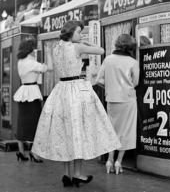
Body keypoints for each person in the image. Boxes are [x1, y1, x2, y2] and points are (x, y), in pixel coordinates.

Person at [32, 20, 121, 187]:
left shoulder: (56, 47)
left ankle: (66, 174)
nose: (81, 35)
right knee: (78, 131)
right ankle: (78, 173)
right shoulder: (77, 47)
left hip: (60, 90)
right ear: (71, 32)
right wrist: (86, 42)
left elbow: (53, 67)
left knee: (64, 132)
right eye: (79, 32)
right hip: (77, 91)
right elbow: (101, 50)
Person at [96, 34, 139, 174]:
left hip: (112, 99)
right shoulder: (133, 62)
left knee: (112, 129)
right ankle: (118, 162)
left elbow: (99, 80)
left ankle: (109, 160)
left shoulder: (108, 60)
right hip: (128, 99)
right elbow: (136, 83)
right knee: (126, 131)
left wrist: (109, 88)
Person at [13, 38, 53, 163]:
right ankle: (34, 153)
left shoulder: (21, 62)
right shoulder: (31, 63)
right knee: (35, 122)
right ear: (30, 50)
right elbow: (50, 68)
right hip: (32, 93)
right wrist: (48, 53)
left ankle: (21, 150)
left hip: (23, 92)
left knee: (22, 121)